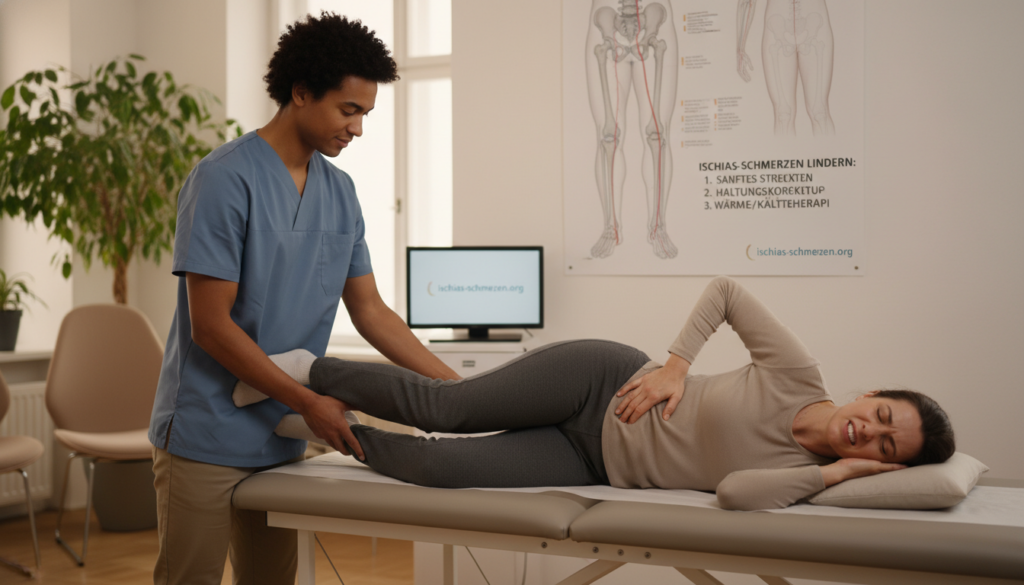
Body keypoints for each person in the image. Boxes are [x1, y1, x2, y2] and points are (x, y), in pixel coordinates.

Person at [147, 13, 459, 585]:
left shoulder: (339, 193)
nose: (358, 129)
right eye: (349, 110)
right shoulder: (223, 179)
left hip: (281, 431)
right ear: (300, 92)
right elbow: (211, 327)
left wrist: (457, 394)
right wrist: (308, 402)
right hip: (206, 431)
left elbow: (371, 313)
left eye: (365, 114)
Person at [235, 276, 955, 511]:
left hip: (592, 461)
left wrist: (834, 474)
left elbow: (734, 492)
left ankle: (315, 426)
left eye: (888, 445)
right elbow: (728, 292)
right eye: (883, 414)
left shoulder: (804, 477)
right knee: (446, 407)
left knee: (436, 467)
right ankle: (310, 369)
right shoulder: (799, 376)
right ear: (874, 392)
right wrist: (676, 365)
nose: (871, 431)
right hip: (603, 380)